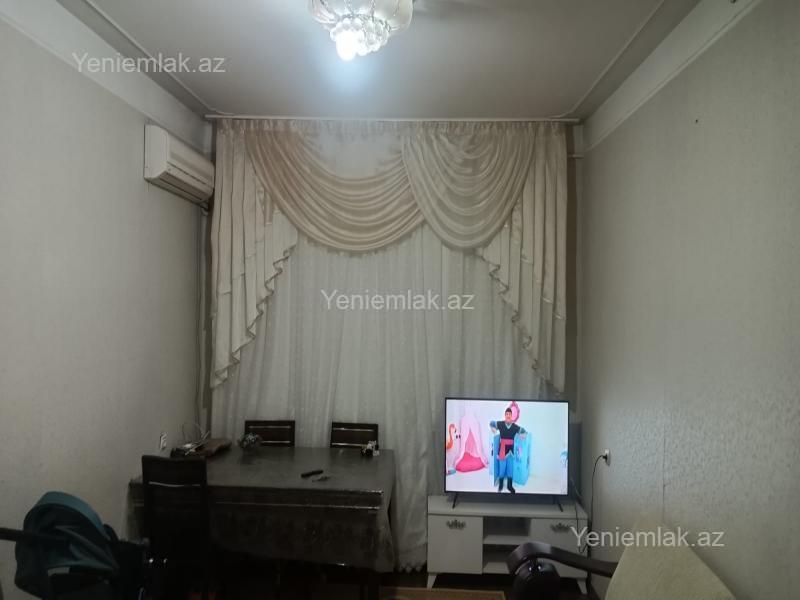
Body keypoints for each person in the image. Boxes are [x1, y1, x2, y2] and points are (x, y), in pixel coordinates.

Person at [491, 407, 521, 493]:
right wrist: (493, 429)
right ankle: (500, 485)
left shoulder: (514, 426)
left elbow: (522, 431)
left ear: (511, 416)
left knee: (510, 468)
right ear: (505, 415)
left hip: (511, 451)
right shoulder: (501, 424)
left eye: (509, 414)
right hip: (502, 450)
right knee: (502, 468)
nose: (508, 416)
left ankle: (509, 485)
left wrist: (523, 434)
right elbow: (492, 423)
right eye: (507, 414)